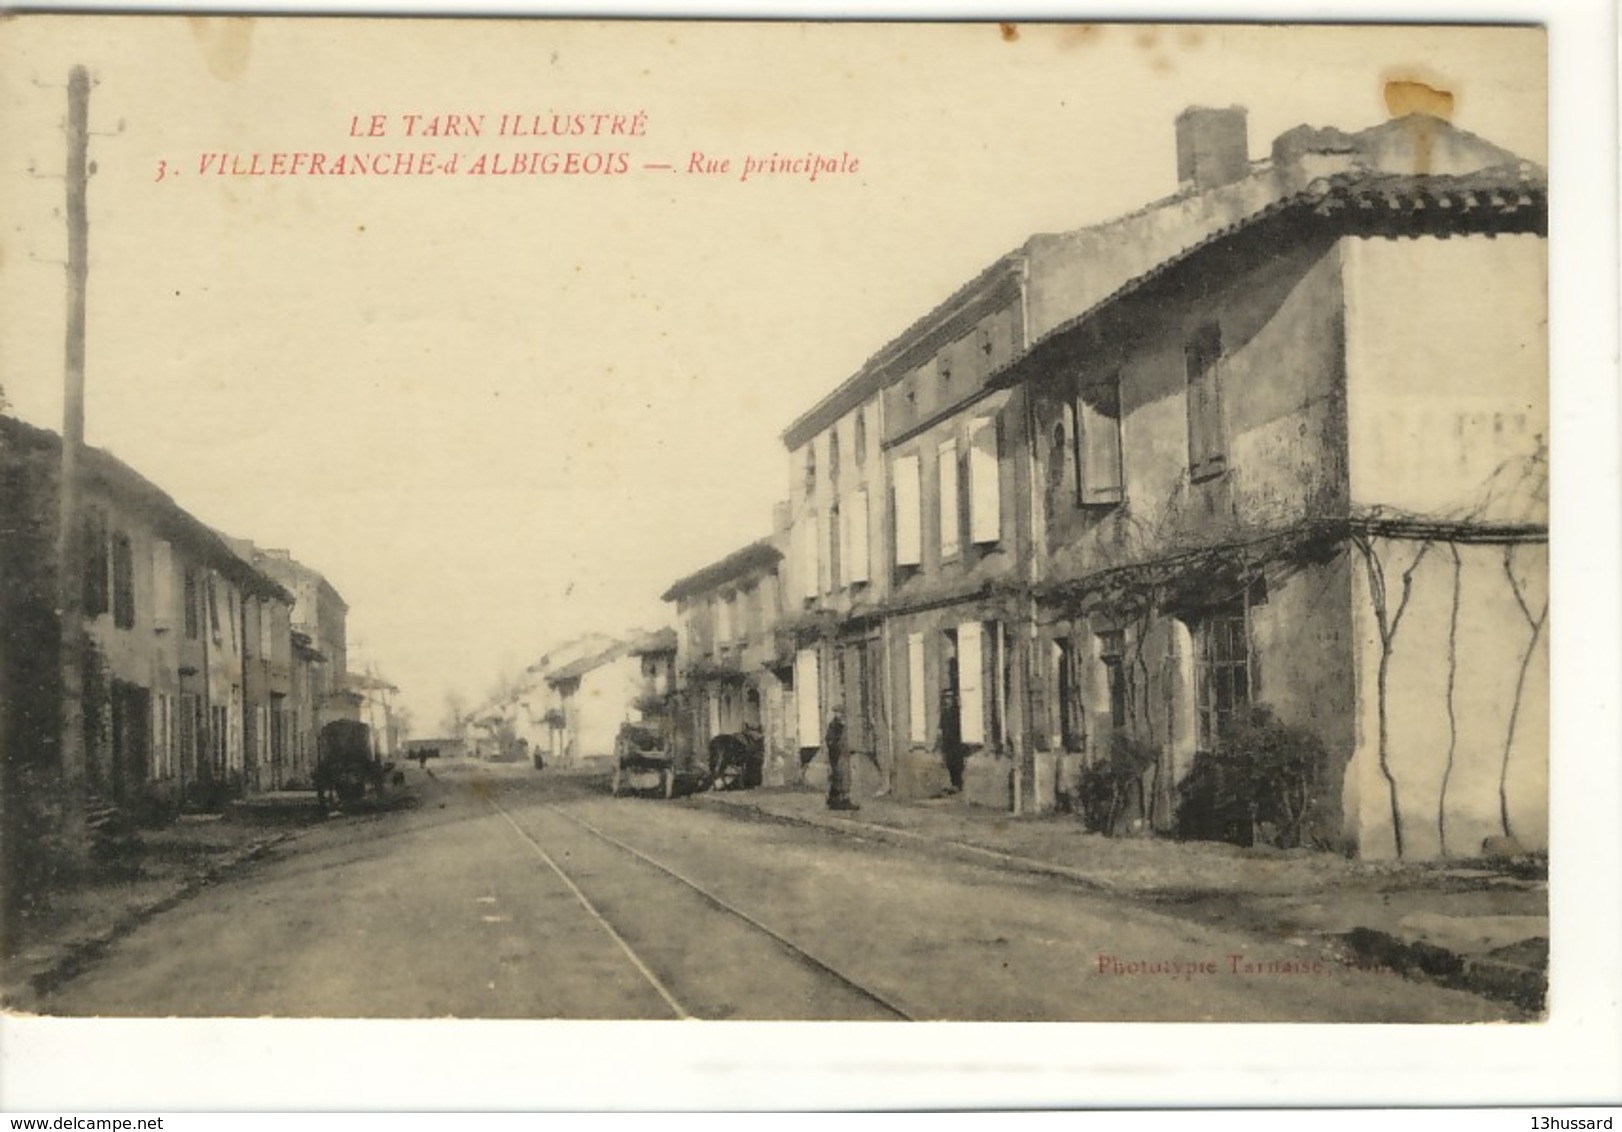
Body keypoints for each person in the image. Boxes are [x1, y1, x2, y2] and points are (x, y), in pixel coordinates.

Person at [825, 706, 858, 811]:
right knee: (840, 777)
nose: (838, 715)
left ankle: (835, 800)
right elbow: (830, 740)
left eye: (840, 713)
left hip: (843, 754)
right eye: (837, 713)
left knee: (842, 777)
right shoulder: (835, 725)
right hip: (838, 755)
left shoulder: (842, 725)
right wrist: (836, 748)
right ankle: (841, 801)